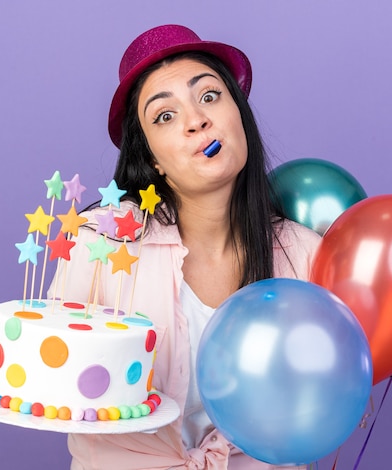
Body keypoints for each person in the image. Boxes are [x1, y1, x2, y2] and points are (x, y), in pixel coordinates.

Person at [59, 24, 321, 469]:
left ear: (239, 113)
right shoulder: (100, 243)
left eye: (209, 96)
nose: (197, 120)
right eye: (165, 115)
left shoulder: (306, 256)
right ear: (154, 160)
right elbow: (61, 384)